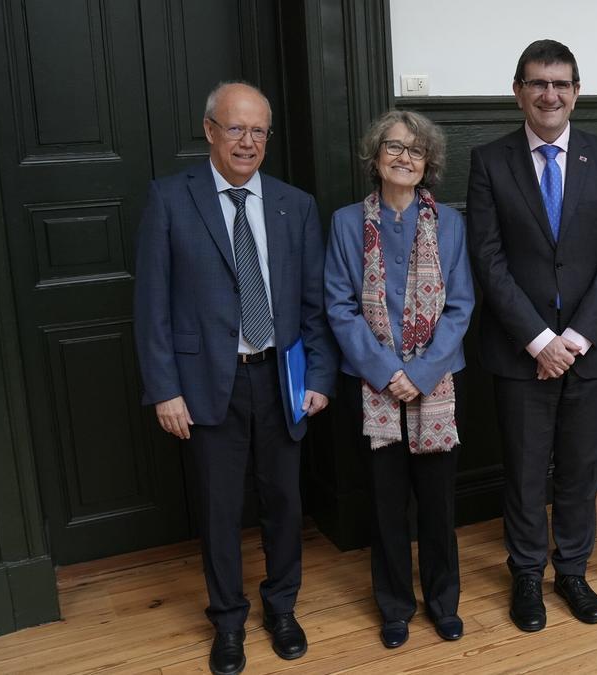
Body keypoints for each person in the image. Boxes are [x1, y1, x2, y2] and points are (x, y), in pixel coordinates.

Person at [133, 81, 336, 674]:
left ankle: (282, 608)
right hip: (205, 384)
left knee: (284, 503)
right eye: (236, 128)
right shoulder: (170, 199)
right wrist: (165, 389)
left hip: (281, 381)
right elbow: (151, 307)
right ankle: (227, 620)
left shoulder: (295, 205)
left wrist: (319, 376)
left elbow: (315, 304)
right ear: (210, 131)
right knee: (220, 511)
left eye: (258, 131)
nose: (247, 142)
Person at [465, 39, 597, 632]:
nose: (550, 94)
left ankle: (572, 571)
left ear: (577, 93)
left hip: (592, 348)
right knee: (524, 469)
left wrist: (576, 338)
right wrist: (541, 340)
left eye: (561, 84)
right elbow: (488, 259)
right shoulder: (489, 161)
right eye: (538, 83)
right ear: (518, 92)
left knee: (580, 469)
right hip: (521, 351)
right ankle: (525, 573)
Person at [324, 110, 473, 649]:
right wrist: (388, 372)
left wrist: (422, 372)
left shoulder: (450, 223)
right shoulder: (346, 223)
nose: (404, 158)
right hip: (373, 388)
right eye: (394, 147)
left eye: (416, 150)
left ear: (428, 163)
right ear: (376, 155)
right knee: (386, 505)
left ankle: (443, 602)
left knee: (437, 505)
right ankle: (394, 606)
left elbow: (460, 306)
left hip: (436, 385)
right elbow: (339, 306)